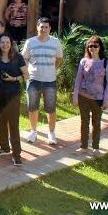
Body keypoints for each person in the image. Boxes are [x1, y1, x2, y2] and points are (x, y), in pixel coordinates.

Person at [21, 17, 63, 145]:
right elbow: (25, 58)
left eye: (46, 27)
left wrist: (53, 70)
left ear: (50, 28)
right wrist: (27, 73)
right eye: (41, 27)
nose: (43, 29)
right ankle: (33, 132)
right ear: (37, 27)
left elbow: (59, 59)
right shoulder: (30, 42)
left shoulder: (56, 42)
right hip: (33, 80)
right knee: (33, 108)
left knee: (51, 108)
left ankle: (51, 133)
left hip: (50, 81)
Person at [0, 34, 29, 166]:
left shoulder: (18, 57)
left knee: (13, 125)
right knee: (2, 122)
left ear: (11, 44)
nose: (5, 45)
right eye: (2, 42)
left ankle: (16, 154)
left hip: (13, 96)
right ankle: (4, 147)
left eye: (7, 42)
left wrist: (14, 79)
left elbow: (26, 75)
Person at [73, 36, 108, 154]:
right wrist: (75, 97)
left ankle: (96, 147)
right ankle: (84, 146)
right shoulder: (83, 61)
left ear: (100, 47)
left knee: (96, 123)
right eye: (90, 46)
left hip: (98, 98)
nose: (93, 48)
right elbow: (78, 80)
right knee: (84, 122)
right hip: (83, 97)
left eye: (95, 46)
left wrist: (106, 100)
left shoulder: (107, 62)